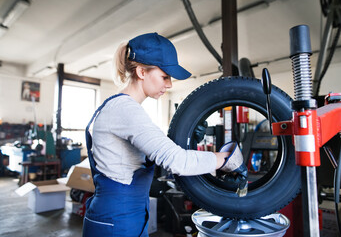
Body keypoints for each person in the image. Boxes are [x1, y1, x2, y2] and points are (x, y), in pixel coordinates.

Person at [82, 33, 244, 237]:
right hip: (115, 221)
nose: (169, 85)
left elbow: (152, 157)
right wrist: (226, 158)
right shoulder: (124, 110)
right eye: (164, 76)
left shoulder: (124, 108)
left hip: (126, 217)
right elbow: (175, 161)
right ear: (141, 71)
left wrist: (189, 140)